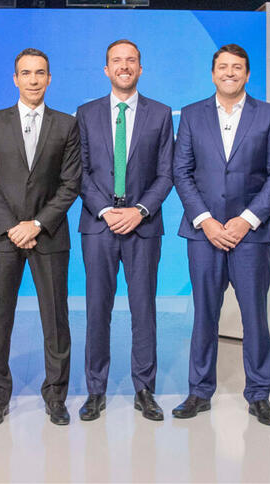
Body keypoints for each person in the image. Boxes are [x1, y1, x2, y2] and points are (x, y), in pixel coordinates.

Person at [172, 44, 270, 425]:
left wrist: (246, 219)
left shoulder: (269, 116)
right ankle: (199, 392)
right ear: (212, 73)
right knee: (205, 315)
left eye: (237, 67)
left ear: (248, 74)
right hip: (203, 234)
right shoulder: (190, 115)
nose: (230, 73)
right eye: (223, 67)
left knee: (255, 317)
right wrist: (205, 220)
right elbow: (181, 172)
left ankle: (258, 395)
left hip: (250, 236)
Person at [0, 47, 81, 426]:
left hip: (49, 236)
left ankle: (56, 397)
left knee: (56, 320)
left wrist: (36, 224)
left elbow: (71, 184)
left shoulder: (67, 125)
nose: (33, 80)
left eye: (40, 73)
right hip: (3, 236)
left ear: (49, 79)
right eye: (26, 73)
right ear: (15, 79)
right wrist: (13, 226)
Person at [75, 39, 173, 422]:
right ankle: (95, 390)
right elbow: (79, 172)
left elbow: (166, 173)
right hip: (99, 227)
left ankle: (143, 389)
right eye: (117, 60)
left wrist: (140, 210)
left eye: (131, 60)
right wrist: (104, 210)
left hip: (143, 227)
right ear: (106, 69)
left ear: (140, 68)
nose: (124, 66)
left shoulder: (161, 114)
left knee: (143, 309)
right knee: (97, 309)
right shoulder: (85, 113)